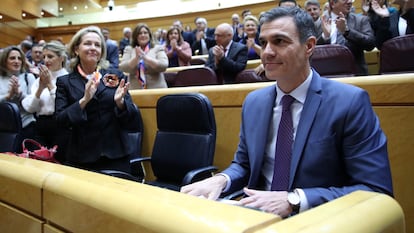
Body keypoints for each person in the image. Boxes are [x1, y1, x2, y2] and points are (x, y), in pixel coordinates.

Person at [181, 7, 393, 218]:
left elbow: (375, 190)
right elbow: (244, 164)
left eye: (279, 41)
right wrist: (222, 180)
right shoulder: (254, 103)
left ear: (309, 46)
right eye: (263, 43)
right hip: (258, 218)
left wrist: (296, 200)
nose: (267, 52)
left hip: (319, 221)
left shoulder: (349, 102)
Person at [55, 26, 141, 173]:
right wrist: (84, 100)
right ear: (76, 49)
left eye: (97, 45)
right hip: (81, 157)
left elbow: (133, 121)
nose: (93, 48)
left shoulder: (116, 76)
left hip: (116, 155)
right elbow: (61, 121)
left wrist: (121, 104)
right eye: (88, 43)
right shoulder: (65, 82)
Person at [22, 41, 69, 162]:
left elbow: (63, 105)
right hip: (41, 125)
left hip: (59, 126)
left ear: (61, 58)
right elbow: (30, 108)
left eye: (50, 56)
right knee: (39, 161)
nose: (46, 60)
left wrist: (49, 84)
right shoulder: (39, 79)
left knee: (58, 162)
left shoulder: (69, 79)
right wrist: (40, 88)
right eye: (44, 57)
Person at [318, 0, 376, 75]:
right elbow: (311, 49)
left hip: (355, 74)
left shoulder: (360, 20)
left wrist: (347, 32)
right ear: (333, 3)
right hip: (327, 74)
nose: (349, 2)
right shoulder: (321, 22)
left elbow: (370, 44)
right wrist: (325, 37)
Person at [0, 46, 36, 151]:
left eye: (19, 58)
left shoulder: (28, 77)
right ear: (4, 60)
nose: (16, 61)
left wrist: (20, 94)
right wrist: (8, 96)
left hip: (27, 127)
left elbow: (34, 102)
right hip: (4, 129)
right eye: (12, 58)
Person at [119, 23, 168, 89]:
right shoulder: (129, 49)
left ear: (149, 35)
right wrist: (136, 59)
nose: (143, 35)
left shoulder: (157, 48)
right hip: (135, 90)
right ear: (135, 36)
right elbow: (123, 67)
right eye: (140, 33)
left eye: (145, 33)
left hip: (157, 88)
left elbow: (163, 65)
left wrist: (146, 58)